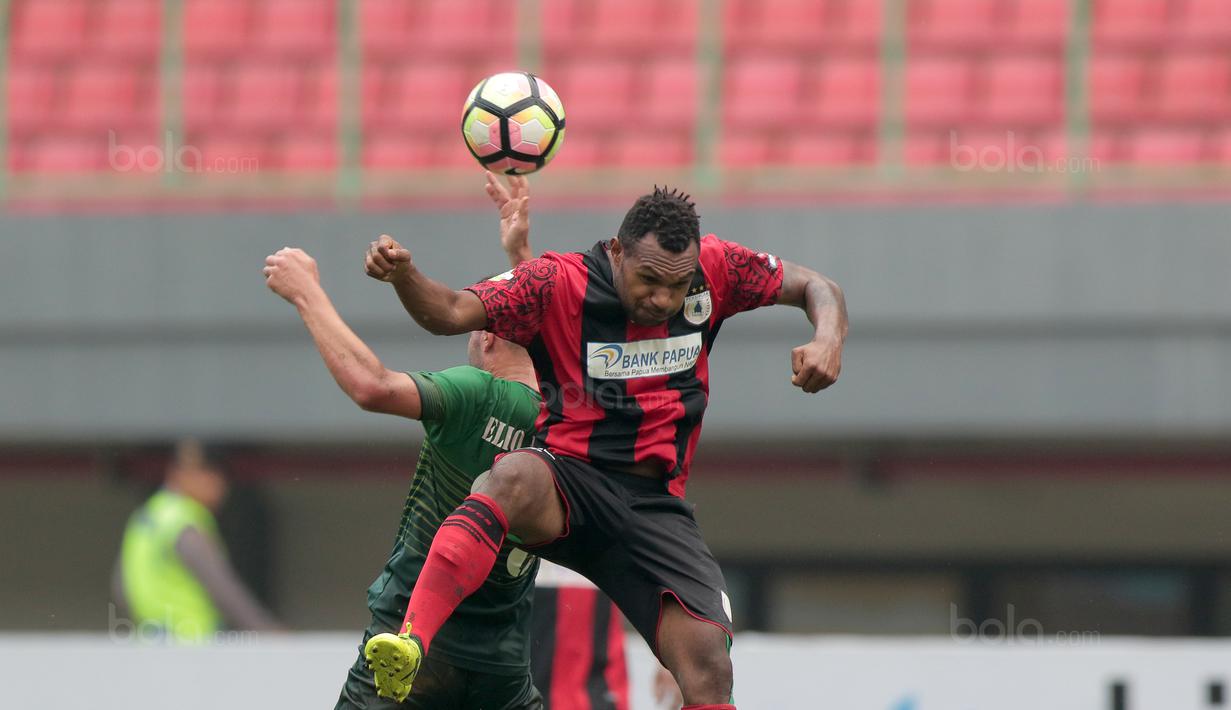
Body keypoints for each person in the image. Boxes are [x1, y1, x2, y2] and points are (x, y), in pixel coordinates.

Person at [361, 184, 848, 710]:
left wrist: (828, 337)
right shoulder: (556, 281)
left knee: (710, 669)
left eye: (677, 285)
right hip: (569, 481)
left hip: (655, 507)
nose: (662, 298)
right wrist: (404, 276)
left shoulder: (717, 267)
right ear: (616, 251)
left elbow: (817, 286)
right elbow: (451, 311)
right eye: (648, 279)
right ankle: (409, 642)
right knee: (510, 479)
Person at [264, 174, 546, 708]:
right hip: (502, 667)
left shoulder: (477, 393)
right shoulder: (565, 418)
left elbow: (371, 387)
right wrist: (520, 252)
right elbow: (542, 322)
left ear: (485, 334)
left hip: (412, 644)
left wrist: (306, 293)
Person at [113, 439, 284, 642]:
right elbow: (223, 589)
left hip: (152, 643)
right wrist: (269, 633)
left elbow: (121, 588)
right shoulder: (184, 522)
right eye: (211, 476)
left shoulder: (147, 519)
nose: (219, 486)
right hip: (194, 648)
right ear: (180, 474)